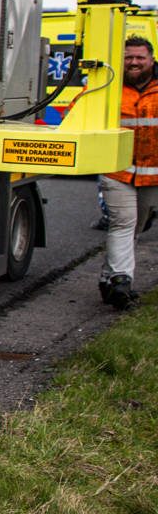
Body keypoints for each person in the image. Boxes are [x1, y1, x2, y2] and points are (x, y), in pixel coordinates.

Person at [99, 34, 158, 309]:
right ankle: (121, 281)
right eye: (128, 57)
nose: (134, 62)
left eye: (139, 58)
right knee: (123, 222)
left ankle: (107, 276)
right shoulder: (106, 88)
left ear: (151, 60)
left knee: (137, 224)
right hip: (117, 172)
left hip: (152, 175)